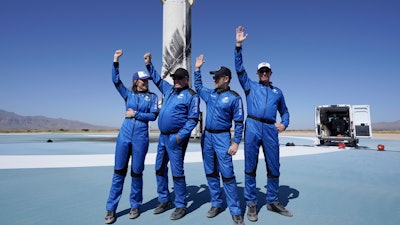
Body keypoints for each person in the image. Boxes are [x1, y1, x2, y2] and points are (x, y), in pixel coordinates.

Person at [234, 26, 293, 221]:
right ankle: (251, 203)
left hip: (270, 129)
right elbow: (239, 69)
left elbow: (284, 111)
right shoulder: (250, 86)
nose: (264, 73)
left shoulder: (278, 92)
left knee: (273, 165)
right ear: (258, 73)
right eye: (261, 71)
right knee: (250, 166)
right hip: (252, 127)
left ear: (271, 72)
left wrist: (283, 124)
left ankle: (273, 201)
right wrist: (238, 46)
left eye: (267, 71)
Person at [105, 49, 159, 224]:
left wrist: (135, 114)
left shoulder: (152, 97)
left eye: (146, 80)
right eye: (142, 80)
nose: (145, 83)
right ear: (136, 81)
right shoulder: (128, 94)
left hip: (141, 138)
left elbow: (153, 116)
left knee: (137, 173)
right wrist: (115, 60)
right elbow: (115, 80)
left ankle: (135, 205)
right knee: (118, 173)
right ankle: (111, 209)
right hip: (124, 137)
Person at [144, 52, 200, 220]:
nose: (176, 80)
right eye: (174, 78)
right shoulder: (169, 89)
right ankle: (163, 199)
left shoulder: (192, 95)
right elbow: (157, 79)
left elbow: (192, 119)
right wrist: (149, 65)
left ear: (186, 79)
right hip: (163, 137)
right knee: (159, 168)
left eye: (179, 78)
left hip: (176, 138)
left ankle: (181, 205)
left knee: (177, 172)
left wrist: (180, 137)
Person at [194, 54, 245, 225]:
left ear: (226, 79)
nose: (214, 79)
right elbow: (198, 86)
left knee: (228, 174)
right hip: (207, 136)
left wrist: (236, 142)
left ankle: (235, 210)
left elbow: (239, 122)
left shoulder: (234, 97)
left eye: (217, 77)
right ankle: (216, 203)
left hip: (223, 137)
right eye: (214, 77)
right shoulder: (210, 94)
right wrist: (197, 69)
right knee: (210, 171)